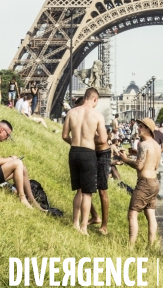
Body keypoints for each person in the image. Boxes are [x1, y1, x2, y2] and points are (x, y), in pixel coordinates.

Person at [62, 87, 108, 235]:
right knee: (88, 193)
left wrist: (74, 142)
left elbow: (64, 135)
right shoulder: (97, 116)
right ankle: (83, 227)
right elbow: (103, 139)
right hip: (88, 153)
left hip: (74, 152)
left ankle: (75, 223)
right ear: (94, 99)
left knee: (78, 191)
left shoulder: (71, 112)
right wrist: (91, 139)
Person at [0, 120, 43, 210]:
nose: (7, 138)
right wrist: (12, 159)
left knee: (22, 168)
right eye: (8, 135)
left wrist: (11, 160)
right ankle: (22, 198)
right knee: (17, 163)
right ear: (1, 130)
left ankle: (31, 199)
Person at [119, 117, 161, 246]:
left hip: (144, 183)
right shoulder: (156, 145)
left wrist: (125, 159)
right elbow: (155, 165)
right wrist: (137, 154)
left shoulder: (143, 144)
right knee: (150, 213)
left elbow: (139, 166)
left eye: (141, 126)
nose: (138, 128)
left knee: (132, 213)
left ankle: (130, 246)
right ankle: (151, 245)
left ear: (148, 129)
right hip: (154, 182)